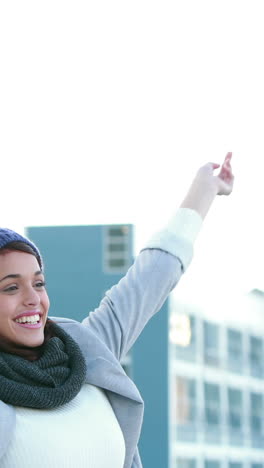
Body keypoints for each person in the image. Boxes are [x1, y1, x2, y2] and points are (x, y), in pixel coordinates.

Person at [0, 153, 234, 468]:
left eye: (39, 284)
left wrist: (205, 189)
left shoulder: (84, 350)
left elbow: (151, 279)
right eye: (11, 287)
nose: (33, 299)